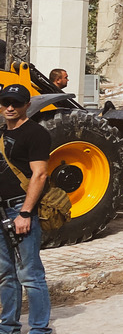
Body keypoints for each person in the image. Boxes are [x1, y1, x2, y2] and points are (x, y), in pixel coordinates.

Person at [0, 83, 51, 334]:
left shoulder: (36, 134)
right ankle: (8, 326)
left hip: (19, 209)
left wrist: (25, 213)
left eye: (16, 103)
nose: (10, 107)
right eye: (6, 102)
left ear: (27, 106)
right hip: (1, 211)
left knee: (30, 274)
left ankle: (40, 329)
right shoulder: (0, 132)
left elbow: (39, 174)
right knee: (5, 274)